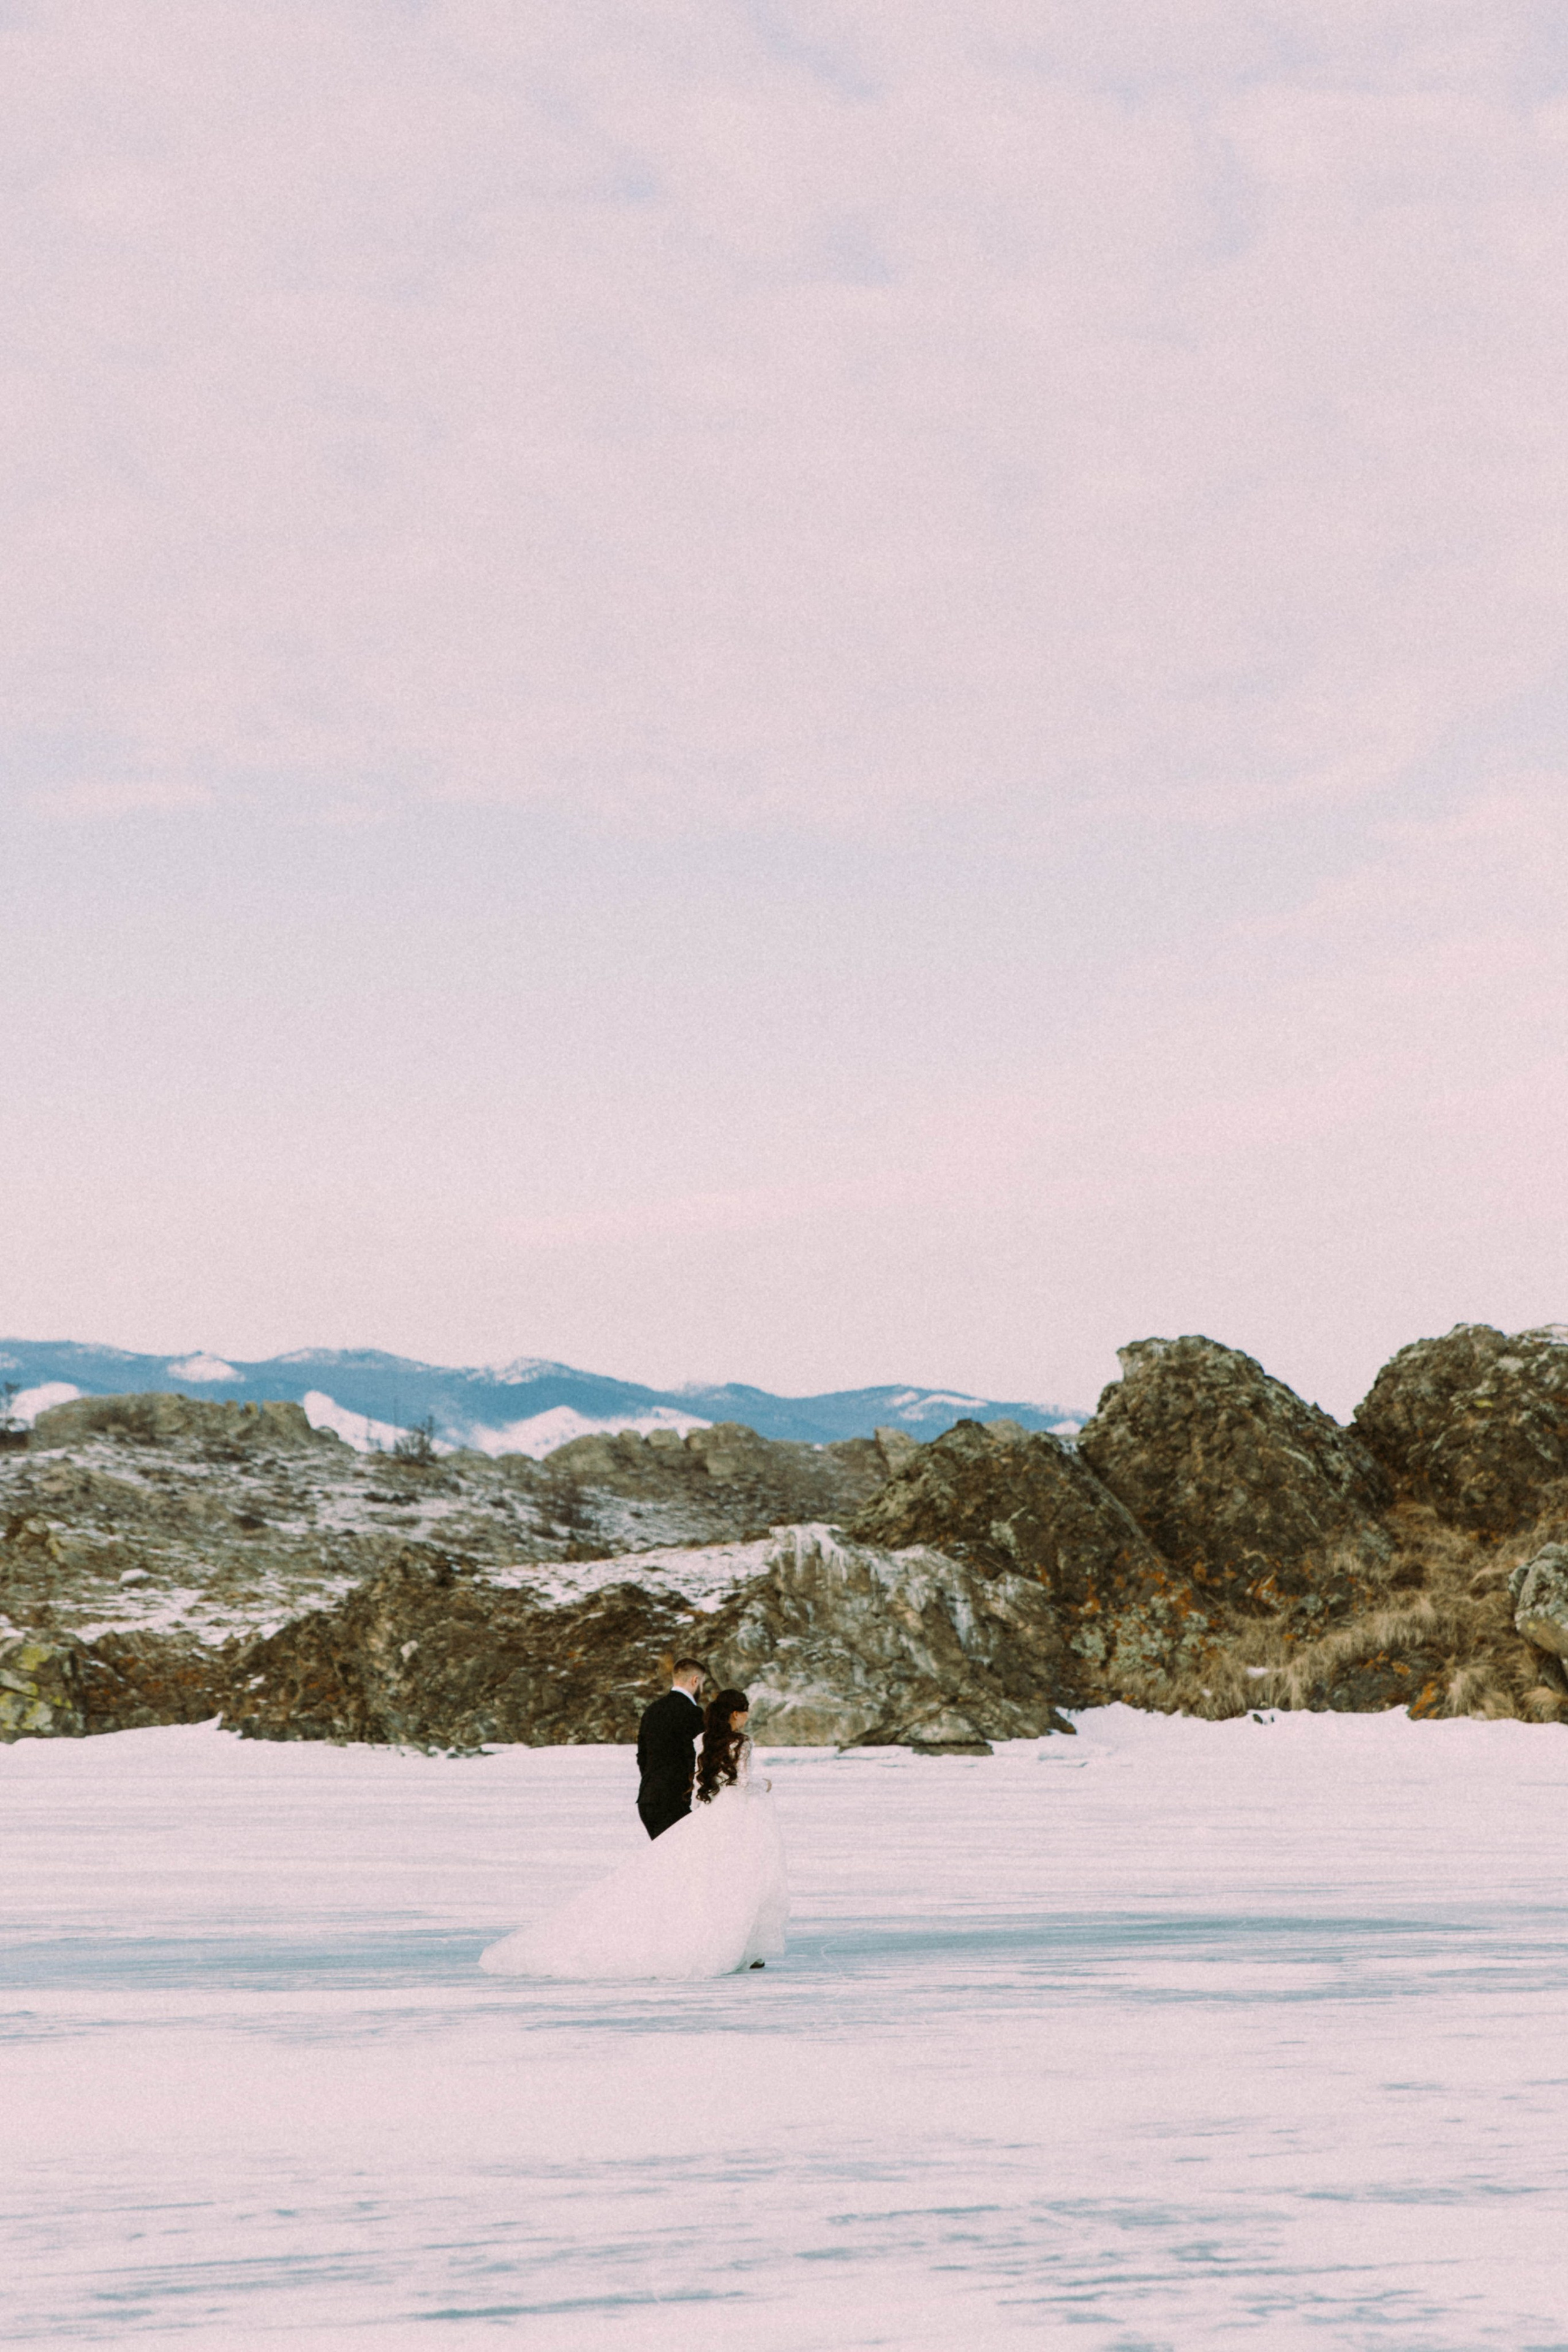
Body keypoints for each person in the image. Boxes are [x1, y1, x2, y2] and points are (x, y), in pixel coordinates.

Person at [479, 1685, 788, 1981]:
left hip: (710, 1815)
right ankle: (740, 1947)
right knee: (738, 1880)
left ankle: (726, 1943)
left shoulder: (703, 1741)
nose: (746, 1717)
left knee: (705, 1879)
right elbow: (744, 1784)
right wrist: (768, 1785)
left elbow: (699, 1787)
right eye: (744, 1712)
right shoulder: (742, 1742)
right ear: (736, 1714)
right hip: (736, 1818)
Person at [635, 1658, 706, 1839]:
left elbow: (642, 1756)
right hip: (677, 1800)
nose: (702, 1689)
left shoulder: (652, 1710)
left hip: (648, 1799)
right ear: (695, 1680)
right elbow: (696, 1757)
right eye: (702, 1684)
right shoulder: (693, 1713)